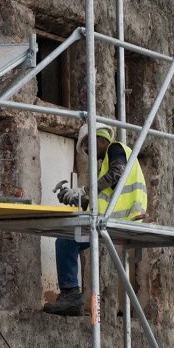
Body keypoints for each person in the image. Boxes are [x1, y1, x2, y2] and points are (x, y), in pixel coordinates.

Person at [44, 123, 148, 316]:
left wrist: (83, 190)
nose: (88, 153)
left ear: (100, 139)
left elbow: (117, 173)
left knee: (66, 242)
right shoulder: (106, 163)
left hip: (122, 220)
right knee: (68, 242)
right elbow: (103, 200)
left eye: (88, 147)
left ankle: (71, 296)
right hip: (111, 221)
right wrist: (76, 198)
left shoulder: (115, 149)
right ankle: (71, 297)